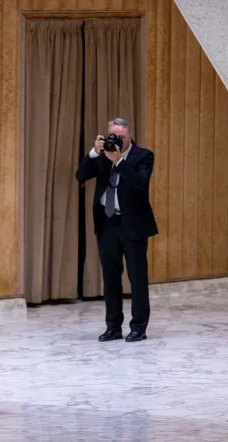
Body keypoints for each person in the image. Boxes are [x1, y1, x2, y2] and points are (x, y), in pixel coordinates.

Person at [76, 118, 158, 343]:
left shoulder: (143, 156)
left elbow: (140, 184)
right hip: (107, 223)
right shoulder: (102, 155)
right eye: (112, 136)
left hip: (133, 225)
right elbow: (81, 175)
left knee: (137, 278)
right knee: (110, 278)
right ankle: (113, 327)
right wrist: (94, 152)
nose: (116, 141)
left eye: (120, 137)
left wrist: (119, 161)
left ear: (129, 137)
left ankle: (138, 327)